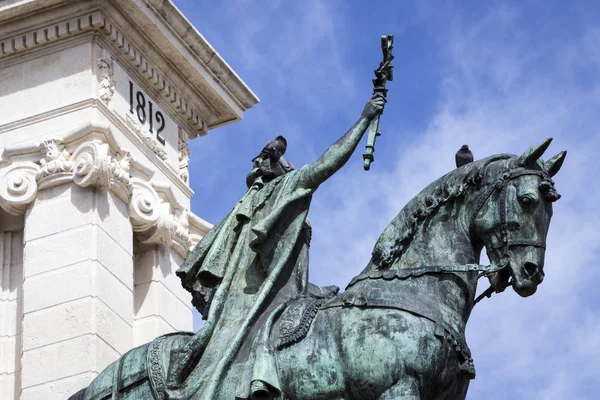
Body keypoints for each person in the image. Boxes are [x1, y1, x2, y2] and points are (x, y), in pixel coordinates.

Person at [170, 94, 386, 400]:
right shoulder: (274, 192)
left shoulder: (262, 197)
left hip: (271, 293)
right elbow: (328, 162)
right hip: (253, 299)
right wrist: (363, 120)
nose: (275, 158)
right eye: (273, 156)